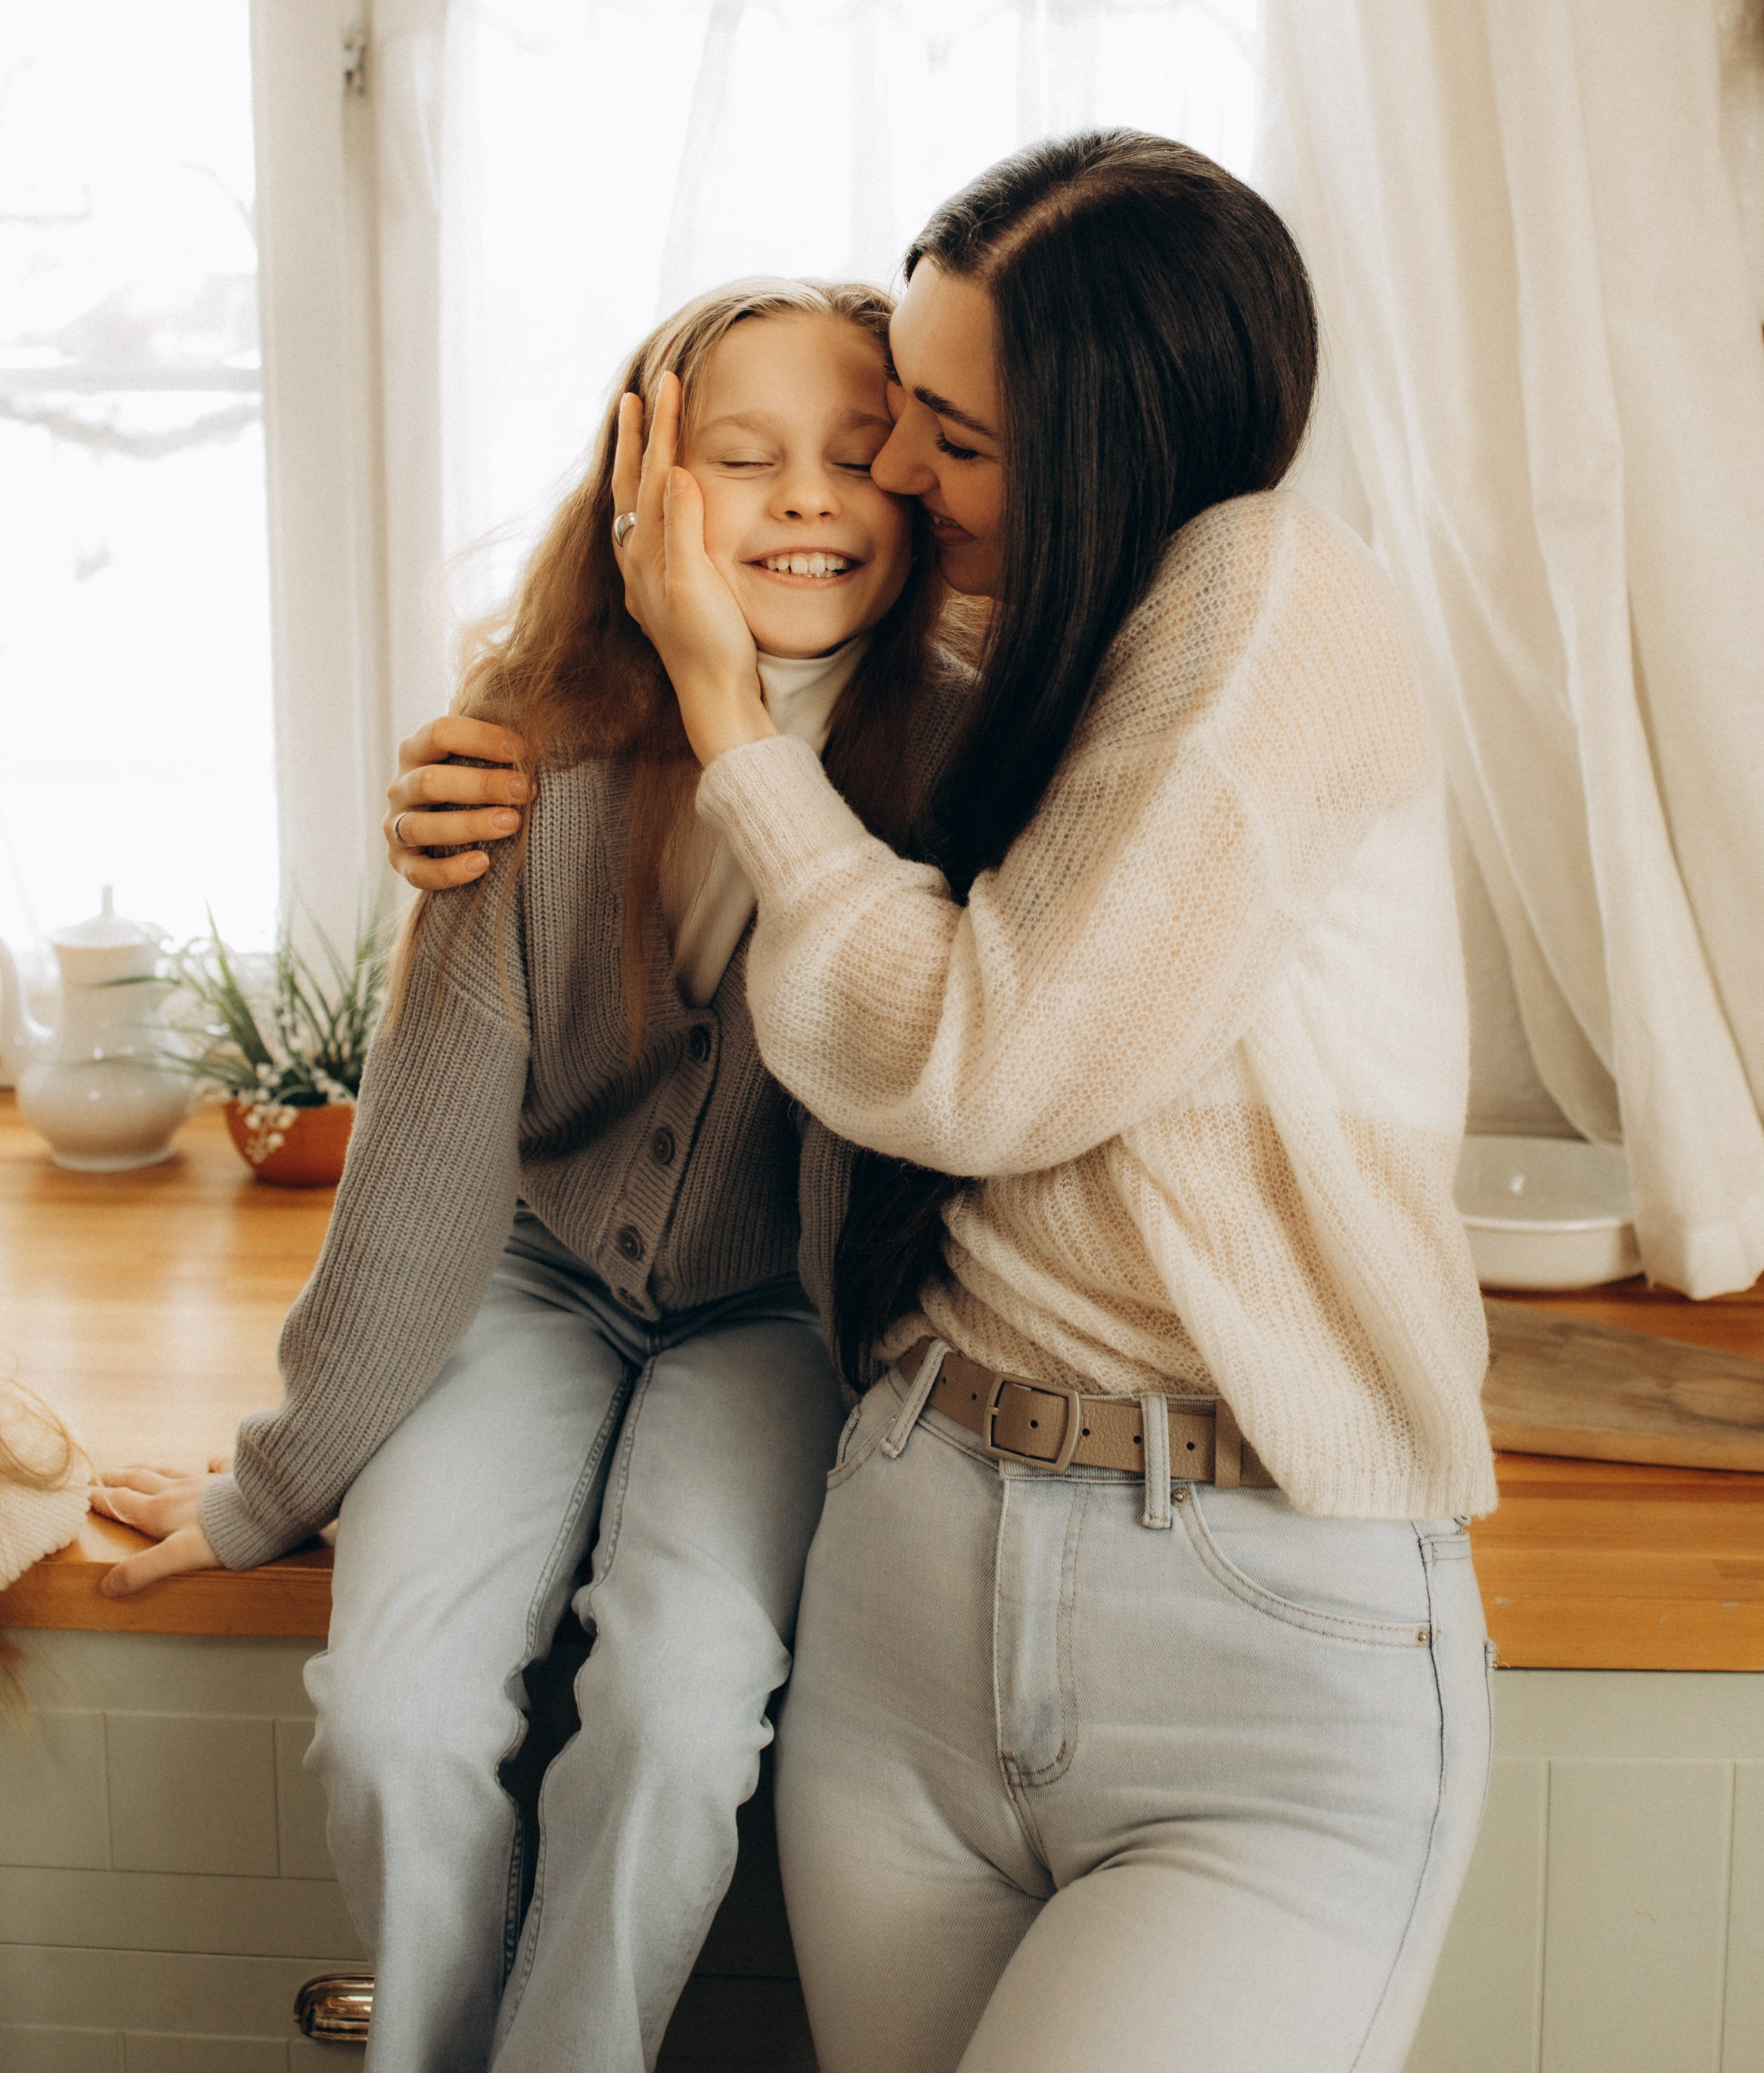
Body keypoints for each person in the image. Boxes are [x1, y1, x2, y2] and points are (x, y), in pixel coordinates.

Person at [392, 131, 1498, 2073]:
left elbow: (975, 1059)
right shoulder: (1036, 630)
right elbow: (809, 684)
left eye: (951, 440)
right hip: (918, 1561)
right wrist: (505, 749)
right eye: (911, 406)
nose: (898, 473)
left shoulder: (1263, 603)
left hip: (1244, 1610)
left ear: (1108, 441)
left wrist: (723, 719)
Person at [91, 278, 969, 2073]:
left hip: (781, 1326)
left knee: (676, 1705)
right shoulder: (530, 739)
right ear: (646, 485)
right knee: (395, 1718)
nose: (807, 496)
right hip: (530, 1270)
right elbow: (422, 1156)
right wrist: (279, 1480)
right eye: (744, 455)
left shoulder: (970, 757)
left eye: (854, 453)